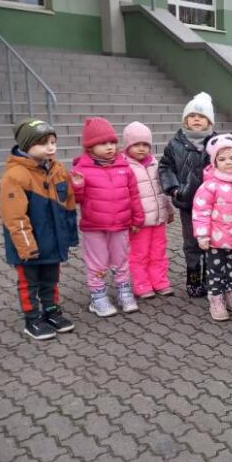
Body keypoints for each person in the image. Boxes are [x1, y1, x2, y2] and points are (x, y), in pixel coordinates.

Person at [0, 118, 78, 340]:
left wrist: (69, 235)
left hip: (52, 241)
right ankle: (32, 318)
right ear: (27, 145)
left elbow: (68, 204)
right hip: (27, 245)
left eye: (53, 142)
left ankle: (51, 310)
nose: (51, 147)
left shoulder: (58, 169)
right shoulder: (15, 176)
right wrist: (27, 247)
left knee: (51, 279)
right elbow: (15, 217)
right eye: (43, 143)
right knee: (29, 283)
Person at [70, 117, 145, 316]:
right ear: (90, 147)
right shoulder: (81, 169)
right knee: (98, 262)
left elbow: (134, 195)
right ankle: (98, 296)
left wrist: (138, 219)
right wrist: (77, 186)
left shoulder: (124, 167)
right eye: (103, 143)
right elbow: (76, 200)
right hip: (94, 227)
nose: (109, 147)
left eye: (112, 142)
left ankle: (123, 290)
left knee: (121, 259)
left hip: (120, 225)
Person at [158, 92, 216, 297]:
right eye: (192, 116)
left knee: (211, 242)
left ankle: (210, 277)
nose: (196, 119)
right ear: (185, 120)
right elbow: (165, 167)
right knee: (191, 243)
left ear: (209, 121)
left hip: (213, 205)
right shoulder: (175, 144)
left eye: (201, 116)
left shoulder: (216, 143)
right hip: (188, 203)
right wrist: (174, 189)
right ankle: (193, 279)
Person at [192, 134, 232, 321]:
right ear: (215, 162)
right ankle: (216, 299)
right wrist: (202, 235)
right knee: (215, 271)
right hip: (215, 241)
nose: (228, 162)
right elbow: (201, 211)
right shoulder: (210, 186)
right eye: (222, 159)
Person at [123, 121, 174, 299]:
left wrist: (169, 209)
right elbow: (124, 197)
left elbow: (162, 189)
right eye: (136, 144)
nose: (141, 148)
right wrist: (130, 219)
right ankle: (142, 284)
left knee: (158, 252)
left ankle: (159, 281)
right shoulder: (124, 166)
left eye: (145, 144)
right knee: (139, 254)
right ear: (127, 145)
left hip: (158, 219)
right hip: (139, 223)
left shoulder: (155, 163)